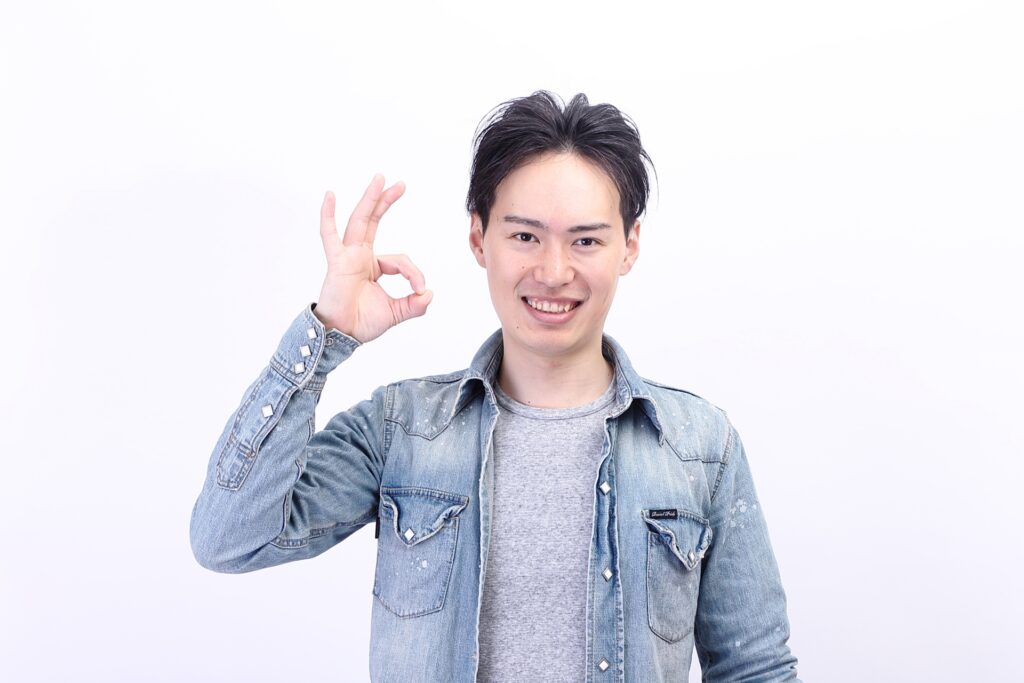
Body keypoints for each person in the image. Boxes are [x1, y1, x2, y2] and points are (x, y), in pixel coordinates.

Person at [190, 91, 801, 682]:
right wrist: (324, 333)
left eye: (586, 240)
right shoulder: (401, 428)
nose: (554, 272)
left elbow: (755, 668)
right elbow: (229, 539)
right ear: (479, 238)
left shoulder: (699, 446)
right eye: (525, 236)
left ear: (629, 246)